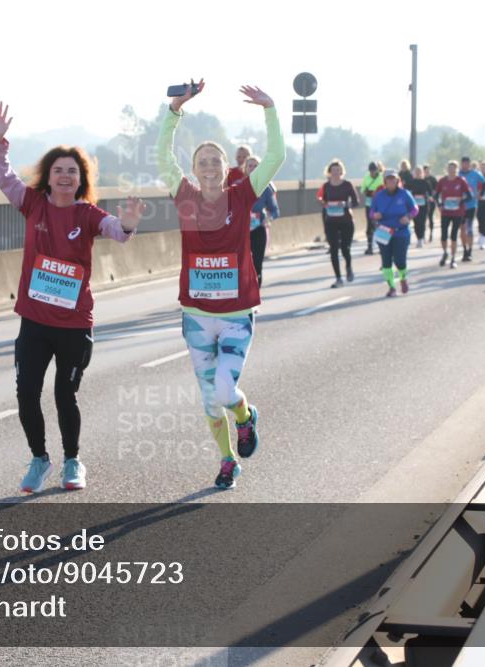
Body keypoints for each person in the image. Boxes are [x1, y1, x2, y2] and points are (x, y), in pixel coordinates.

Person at [0, 102, 143, 493]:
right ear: (48, 176)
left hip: (74, 325)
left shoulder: (87, 214)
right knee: (26, 393)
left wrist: (126, 223)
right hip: (35, 322)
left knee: (64, 394)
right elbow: (5, 179)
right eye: (58, 170)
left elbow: (115, 230)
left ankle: (72, 460)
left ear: (80, 180)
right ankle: (39, 459)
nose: (64, 176)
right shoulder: (33, 204)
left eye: (72, 171)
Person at [156, 79, 284, 490]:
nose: (209, 167)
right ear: (194, 171)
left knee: (226, 389)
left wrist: (270, 109)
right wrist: (174, 112)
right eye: (202, 162)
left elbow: (277, 156)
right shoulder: (185, 196)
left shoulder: (243, 194)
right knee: (210, 400)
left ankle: (246, 417)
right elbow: (162, 155)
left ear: (224, 166)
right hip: (195, 317)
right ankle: (228, 460)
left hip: (234, 318)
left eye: (215, 161)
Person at [368, 169, 418, 297]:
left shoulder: (405, 194)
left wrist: (408, 217)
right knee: (386, 262)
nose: (391, 181)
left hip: (401, 232)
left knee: (400, 261)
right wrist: (375, 215)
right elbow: (371, 213)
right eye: (388, 178)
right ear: (384, 181)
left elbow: (415, 209)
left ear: (397, 180)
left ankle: (403, 279)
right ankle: (391, 287)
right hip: (384, 232)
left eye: (393, 178)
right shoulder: (378, 196)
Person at [317, 159, 359, 287]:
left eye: (338, 170)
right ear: (329, 172)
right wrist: (324, 203)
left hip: (346, 220)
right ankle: (338, 278)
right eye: (333, 170)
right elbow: (321, 200)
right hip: (331, 221)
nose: (336, 172)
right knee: (333, 249)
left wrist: (345, 204)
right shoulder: (326, 186)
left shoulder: (347, 184)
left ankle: (348, 266)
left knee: (345, 248)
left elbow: (356, 202)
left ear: (342, 171)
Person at [244, 155, 279, 288]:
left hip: (258, 229)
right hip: (241, 231)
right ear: (245, 169)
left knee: (256, 264)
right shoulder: (238, 186)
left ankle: (255, 293)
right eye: (250, 166)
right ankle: (244, 295)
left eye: (256, 166)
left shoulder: (266, 188)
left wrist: (267, 219)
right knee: (243, 264)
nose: (253, 168)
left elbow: (275, 210)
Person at [434, 161, 472, 269]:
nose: (452, 171)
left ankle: (453, 259)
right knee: (443, 235)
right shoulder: (442, 181)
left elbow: (469, 196)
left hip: (458, 212)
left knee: (453, 235)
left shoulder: (461, 181)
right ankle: (445, 252)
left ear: (457, 170)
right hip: (445, 212)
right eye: (450, 169)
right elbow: (436, 195)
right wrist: (440, 204)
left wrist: (461, 201)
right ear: (447, 169)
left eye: (454, 169)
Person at [458, 156, 485, 262]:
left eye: (467, 163)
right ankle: (464, 249)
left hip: (472, 204)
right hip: (460, 206)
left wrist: (480, 193)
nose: (465, 165)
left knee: (469, 228)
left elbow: (484, 182)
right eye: (463, 163)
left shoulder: (475, 173)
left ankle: (470, 250)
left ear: (469, 164)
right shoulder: (458, 174)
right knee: (462, 228)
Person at [404, 166, 431, 248]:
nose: (418, 173)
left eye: (419, 172)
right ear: (414, 173)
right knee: (416, 222)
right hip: (414, 205)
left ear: (422, 173)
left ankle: (420, 239)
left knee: (422, 222)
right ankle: (419, 237)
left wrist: (429, 197)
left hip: (424, 205)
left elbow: (430, 193)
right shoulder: (411, 182)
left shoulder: (426, 182)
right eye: (416, 172)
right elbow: (405, 192)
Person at [360, 162, 383, 255]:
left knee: (381, 225)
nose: (372, 173)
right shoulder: (366, 177)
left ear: (377, 170)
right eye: (371, 171)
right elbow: (362, 190)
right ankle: (370, 247)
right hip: (369, 204)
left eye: (374, 170)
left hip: (380, 204)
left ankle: (382, 246)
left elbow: (385, 188)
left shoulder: (382, 177)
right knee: (370, 225)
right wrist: (369, 192)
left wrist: (377, 192)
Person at [422, 164, 438, 242]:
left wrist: (432, 196)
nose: (426, 172)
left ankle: (431, 233)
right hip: (423, 201)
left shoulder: (433, 179)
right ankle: (423, 235)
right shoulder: (422, 179)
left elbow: (436, 189)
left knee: (430, 217)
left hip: (431, 201)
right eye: (425, 171)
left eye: (427, 170)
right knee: (423, 218)